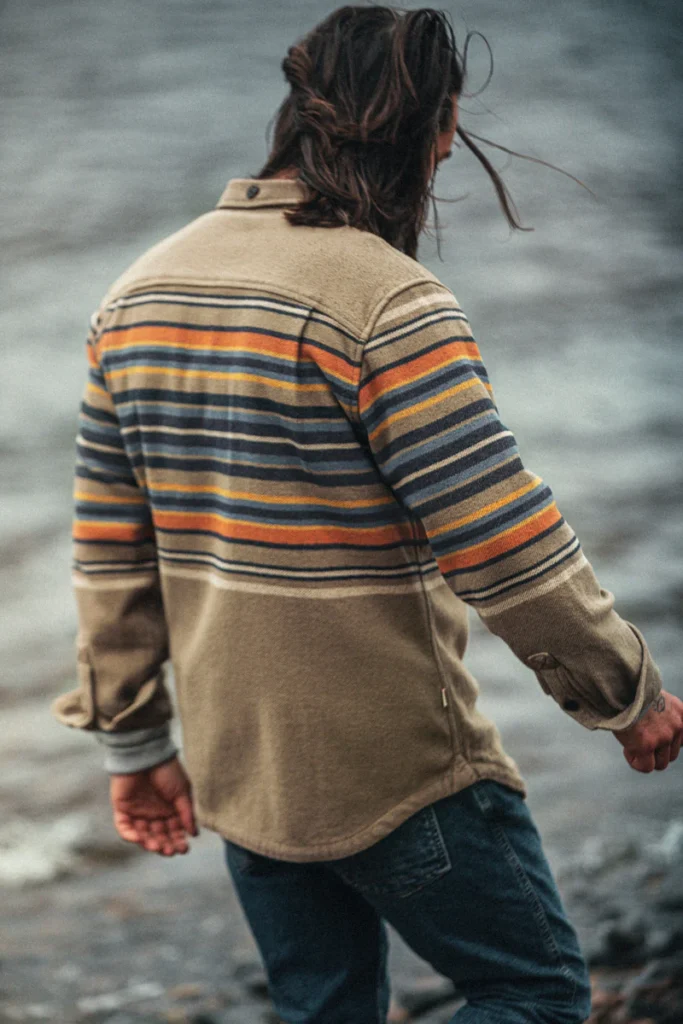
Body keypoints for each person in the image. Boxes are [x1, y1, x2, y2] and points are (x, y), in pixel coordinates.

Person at [50, 6, 682, 1023]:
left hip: (242, 776)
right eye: (448, 128)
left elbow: (108, 556)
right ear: (430, 127)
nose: (449, 151)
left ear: (297, 111)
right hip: (401, 775)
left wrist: (135, 744)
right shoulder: (387, 302)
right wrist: (624, 689)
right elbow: (501, 538)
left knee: (323, 1011)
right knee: (534, 995)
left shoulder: (135, 295)